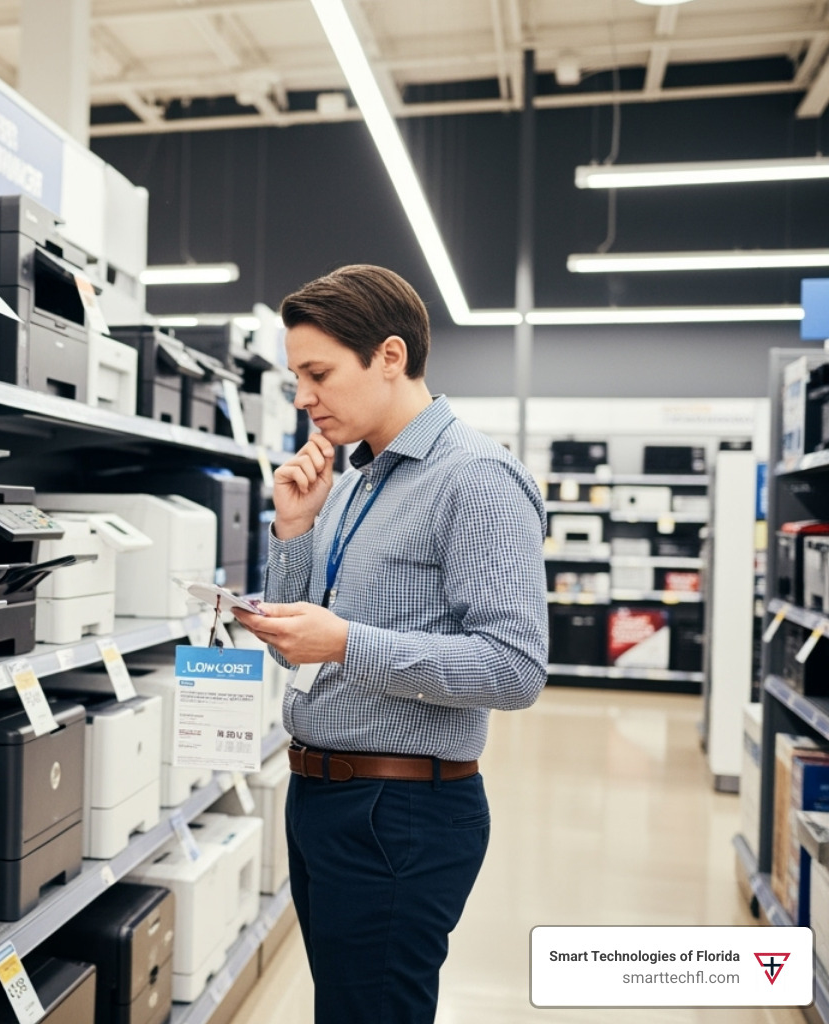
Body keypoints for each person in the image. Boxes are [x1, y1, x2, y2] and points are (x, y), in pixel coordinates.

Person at [231, 264, 548, 1023]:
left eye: (317, 373)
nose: (302, 397)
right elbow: (294, 647)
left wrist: (348, 643)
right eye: (295, 377)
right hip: (322, 799)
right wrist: (294, 531)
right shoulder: (353, 483)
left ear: (391, 356)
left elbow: (515, 668)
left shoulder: (475, 478)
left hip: (400, 812)